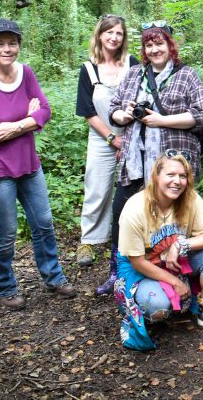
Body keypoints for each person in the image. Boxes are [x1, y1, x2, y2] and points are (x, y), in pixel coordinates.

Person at [0, 18, 75, 310]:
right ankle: (4, 288)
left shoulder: (26, 73)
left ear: (19, 45)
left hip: (28, 164)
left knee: (44, 223)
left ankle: (54, 278)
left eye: (12, 43)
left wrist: (16, 125)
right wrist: (28, 121)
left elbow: (46, 111)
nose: (6, 49)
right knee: (6, 233)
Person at [96, 20, 203, 295]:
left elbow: (199, 115)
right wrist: (125, 114)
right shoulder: (135, 74)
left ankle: (178, 274)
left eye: (159, 43)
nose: (154, 49)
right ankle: (119, 272)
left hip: (172, 164)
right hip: (135, 161)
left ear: (169, 45)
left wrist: (162, 120)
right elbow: (114, 109)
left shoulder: (187, 75)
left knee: (174, 218)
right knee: (122, 214)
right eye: (149, 44)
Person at [114, 152, 203, 350]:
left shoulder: (189, 199)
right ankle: (139, 308)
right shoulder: (134, 208)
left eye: (183, 176)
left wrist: (179, 245)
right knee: (157, 309)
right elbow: (137, 262)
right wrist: (175, 283)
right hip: (142, 267)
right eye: (170, 175)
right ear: (156, 176)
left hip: (177, 260)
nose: (177, 181)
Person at [75, 15, 139, 268]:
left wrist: (126, 139)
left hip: (133, 135)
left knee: (135, 187)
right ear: (100, 35)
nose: (114, 38)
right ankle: (89, 239)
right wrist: (113, 139)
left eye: (119, 33)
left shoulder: (132, 65)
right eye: (109, 32)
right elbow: (88, 110)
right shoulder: (88, 68)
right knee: (97, 188)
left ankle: (132, 236)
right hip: (102, 136)